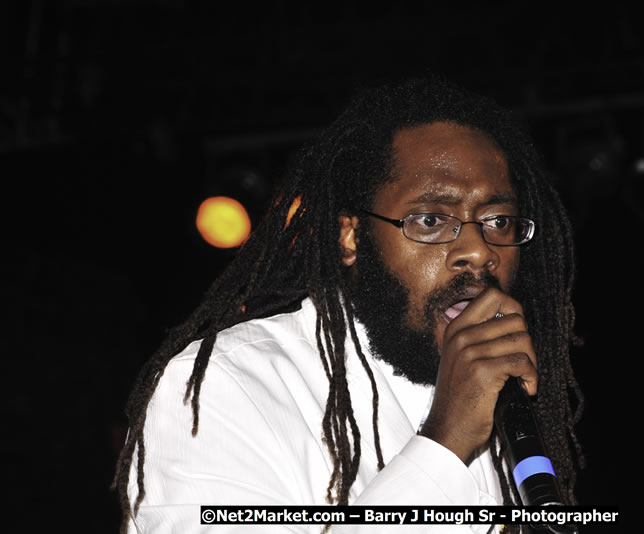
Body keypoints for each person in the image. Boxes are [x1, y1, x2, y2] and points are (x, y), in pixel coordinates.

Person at [114, 78, 584, 533]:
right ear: (351, 236)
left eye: (497, 220)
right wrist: (446, 444)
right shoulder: (226, 386)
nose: (480, 251)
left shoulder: (509, 408)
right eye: (430, 219)